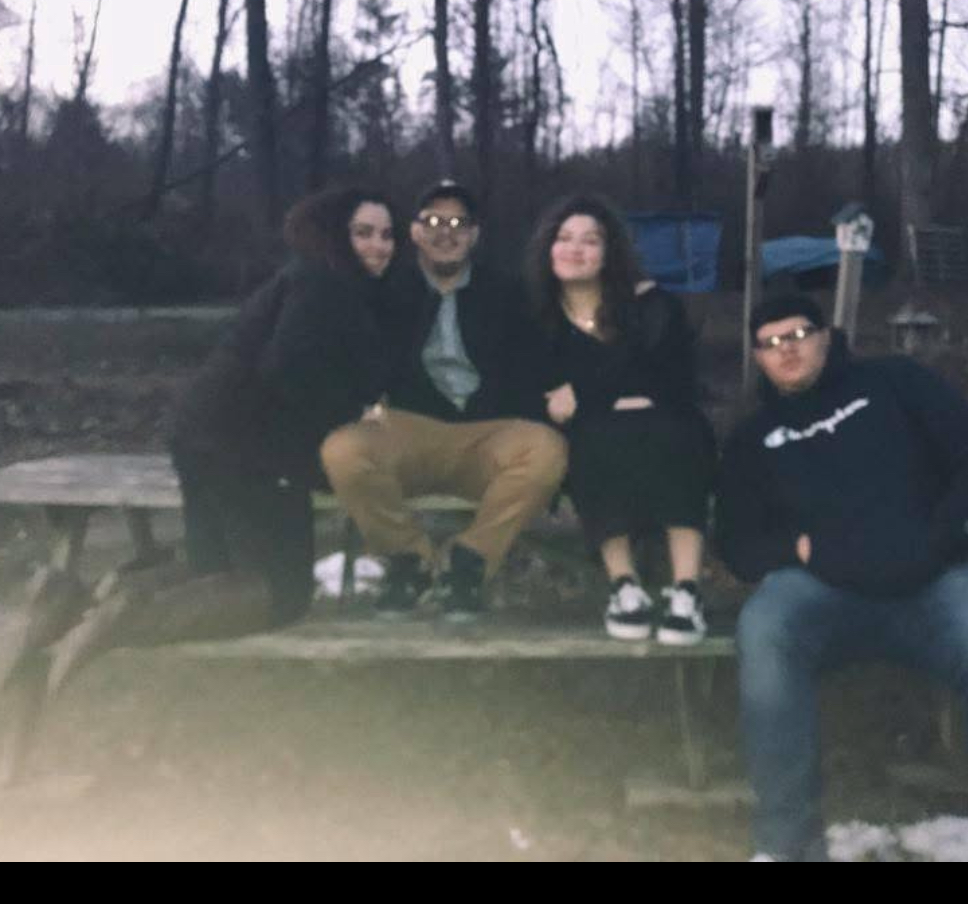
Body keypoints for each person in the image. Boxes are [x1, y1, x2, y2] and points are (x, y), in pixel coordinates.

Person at [714, 281, 968, 862]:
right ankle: (786, 845)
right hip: (823, 590)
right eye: (770, 343)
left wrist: (939, 537)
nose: (786, 349)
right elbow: (735, 541)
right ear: (757, 357)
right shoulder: (753, 439)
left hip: (944, 579)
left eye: (798, 334)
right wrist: (798, 549)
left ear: (827, 337)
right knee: (765, 629)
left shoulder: (896, 383)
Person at [41, 185, 400, 695]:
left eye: (386, 234)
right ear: (334, 235)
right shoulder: (327, 286)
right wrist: (350, 430)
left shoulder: (305, 278)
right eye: (363, 233)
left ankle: (71, 599)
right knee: (282, 591)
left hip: (200, 430)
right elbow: (291, 371)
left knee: (213, 569)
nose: (378, 245)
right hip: (251, 445)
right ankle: (126, 614)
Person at [320, 180, 567, 622]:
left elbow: (541, 361)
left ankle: (467, 562)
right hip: (410, 427)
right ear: (415, 231)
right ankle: (408, 560)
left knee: (547, 449)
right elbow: (344, 354)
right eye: (433, 220)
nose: (445, 232)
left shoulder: (508, 292)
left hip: (489, 433)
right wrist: (358, 402)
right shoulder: (386, 289)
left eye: (458, 223)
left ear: (474, 234)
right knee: (343, 449)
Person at [525, 196, 716, 644]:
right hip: (594, 437)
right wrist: (609, 394)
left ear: (610, 253)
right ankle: (624, 588)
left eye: (590, 241)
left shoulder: (650, 304)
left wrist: (585, 394)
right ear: (548, 247)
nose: (575, 249)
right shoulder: (537, 317)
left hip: (667, 423)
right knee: (596, 441)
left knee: (676, 435)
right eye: (564, 238)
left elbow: (671, 382)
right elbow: (545, 395)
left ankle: (687, 591)